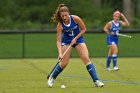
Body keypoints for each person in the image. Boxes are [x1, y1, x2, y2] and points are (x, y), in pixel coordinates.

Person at [47, 4, 104, 88]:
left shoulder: (75, 18)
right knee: (64, 63)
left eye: (66, 15)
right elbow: (58, 41)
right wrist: (60, 53)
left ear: (68, 13)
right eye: (62, 16)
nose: (65, 17)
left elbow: (84, 29)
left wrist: (76, 38)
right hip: (67, 42)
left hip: (79, 40)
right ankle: (52, 77)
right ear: (60, 16)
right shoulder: (60, 25)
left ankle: (96, 81)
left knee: (86, 58)